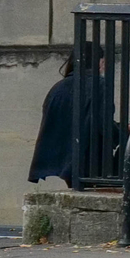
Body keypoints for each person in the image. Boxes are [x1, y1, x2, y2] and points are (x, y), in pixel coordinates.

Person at [28, 50, 113, 189]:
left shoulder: (58, 88)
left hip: (68, 162)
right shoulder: (99, 84)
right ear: (99, 62)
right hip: (93, 158)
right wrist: (124, 130)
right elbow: (102, 123)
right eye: (103, 61)